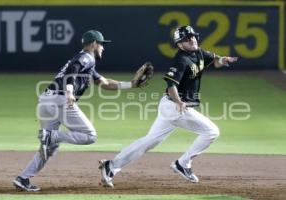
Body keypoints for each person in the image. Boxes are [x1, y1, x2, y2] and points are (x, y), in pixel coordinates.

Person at [99, 25, 238, 187]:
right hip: (176, 106)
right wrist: (179, 102)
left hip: (169, 107)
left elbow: (215, 61)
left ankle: (112, 166)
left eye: (192, 36)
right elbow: (171, 85)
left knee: (149, 142)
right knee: (212, 131)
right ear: (179, 44)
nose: (192, 39)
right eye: (186, 38)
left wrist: (224, 60)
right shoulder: (181, 60)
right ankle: (183, 163)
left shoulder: (199, 52)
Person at [13, 30, 143, 192]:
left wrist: (132, 84)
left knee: (49, 146)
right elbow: (72, 70)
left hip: (46, 101)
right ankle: (50, 135)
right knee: (90, 136)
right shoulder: (86, 57)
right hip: (60, 100)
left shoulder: (88, 63)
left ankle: (23, 178)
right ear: (94, 44)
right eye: (102, 44)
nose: (103, 48)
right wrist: (69, 92)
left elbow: (105, 83)